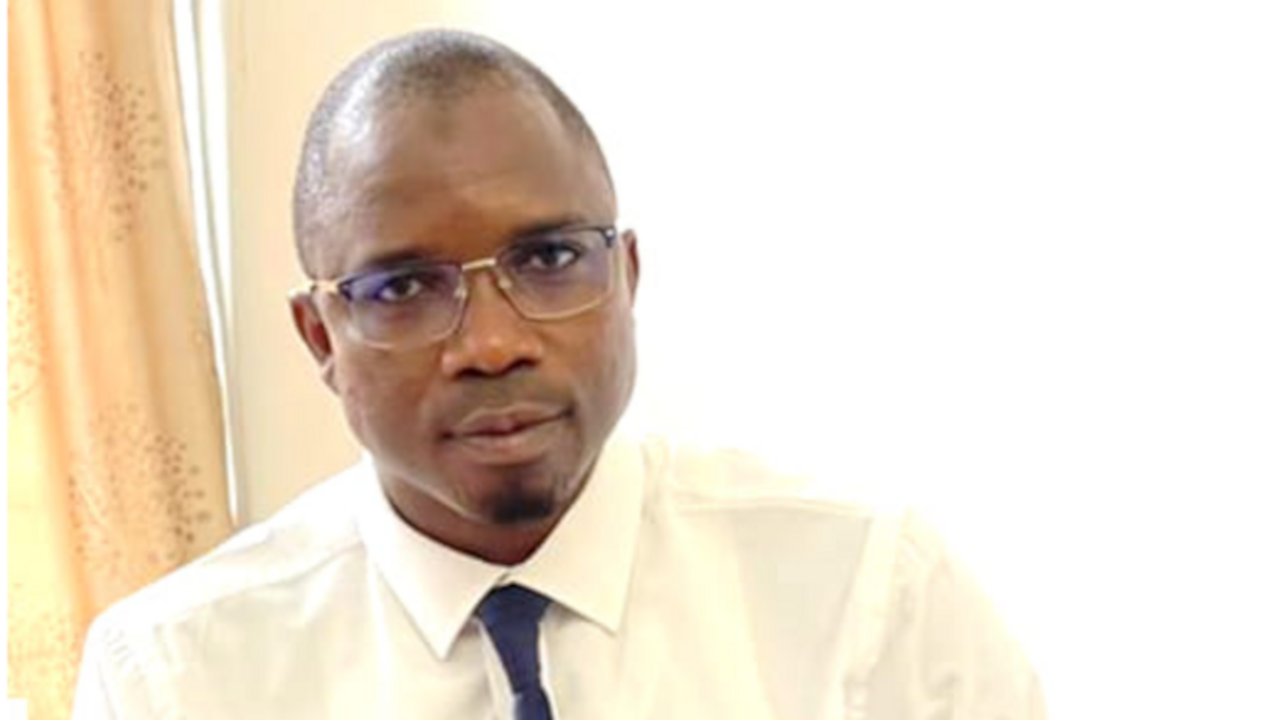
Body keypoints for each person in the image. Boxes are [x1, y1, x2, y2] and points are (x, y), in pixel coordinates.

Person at [73, 29, 1045, 719]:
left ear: (625, 277)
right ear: (320, 338)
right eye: (404, 285)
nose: (492, 344)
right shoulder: (177, 678)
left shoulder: (866, 591)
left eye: (547, 260)